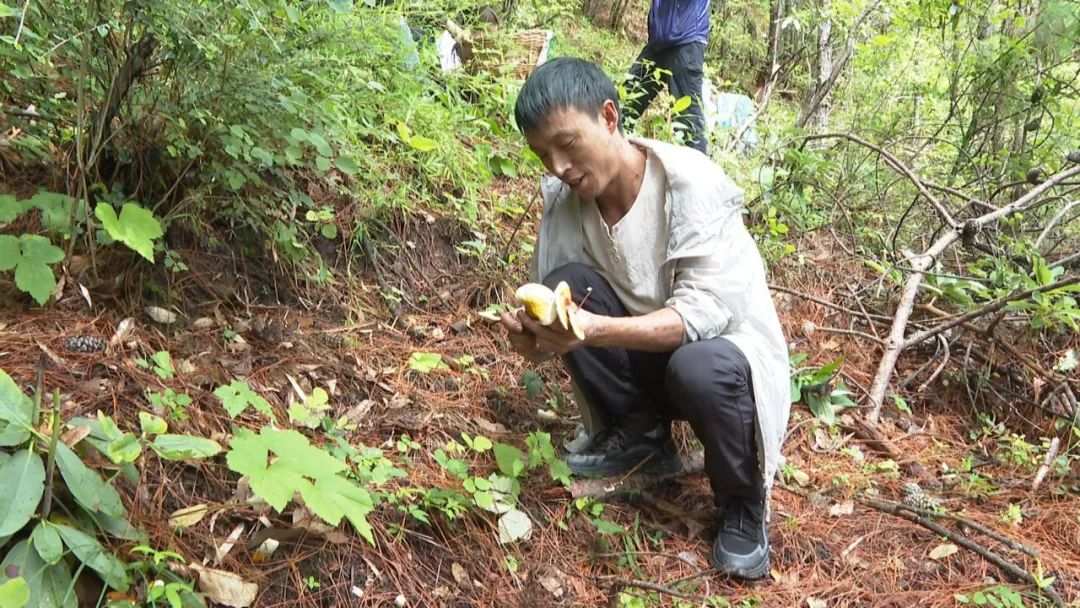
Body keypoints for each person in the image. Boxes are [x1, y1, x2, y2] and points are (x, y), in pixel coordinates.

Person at [501, 57, 790, 580]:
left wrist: (592, 330)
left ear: (609, 118)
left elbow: (701, 317)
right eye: (543, 155)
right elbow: (557, 310)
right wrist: (536, 342)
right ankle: (640, 434)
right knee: (568, 278)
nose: (559, 167)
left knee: (698, 365)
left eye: (568, 144)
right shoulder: (564, 205)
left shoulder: (690, 183)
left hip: (721, 360)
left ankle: (743, 501)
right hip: (646, 359)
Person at [622, 0, 711, 154]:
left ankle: (698, 174)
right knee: (626, 102)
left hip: (687, 39)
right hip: (659, 41)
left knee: (688, 119)